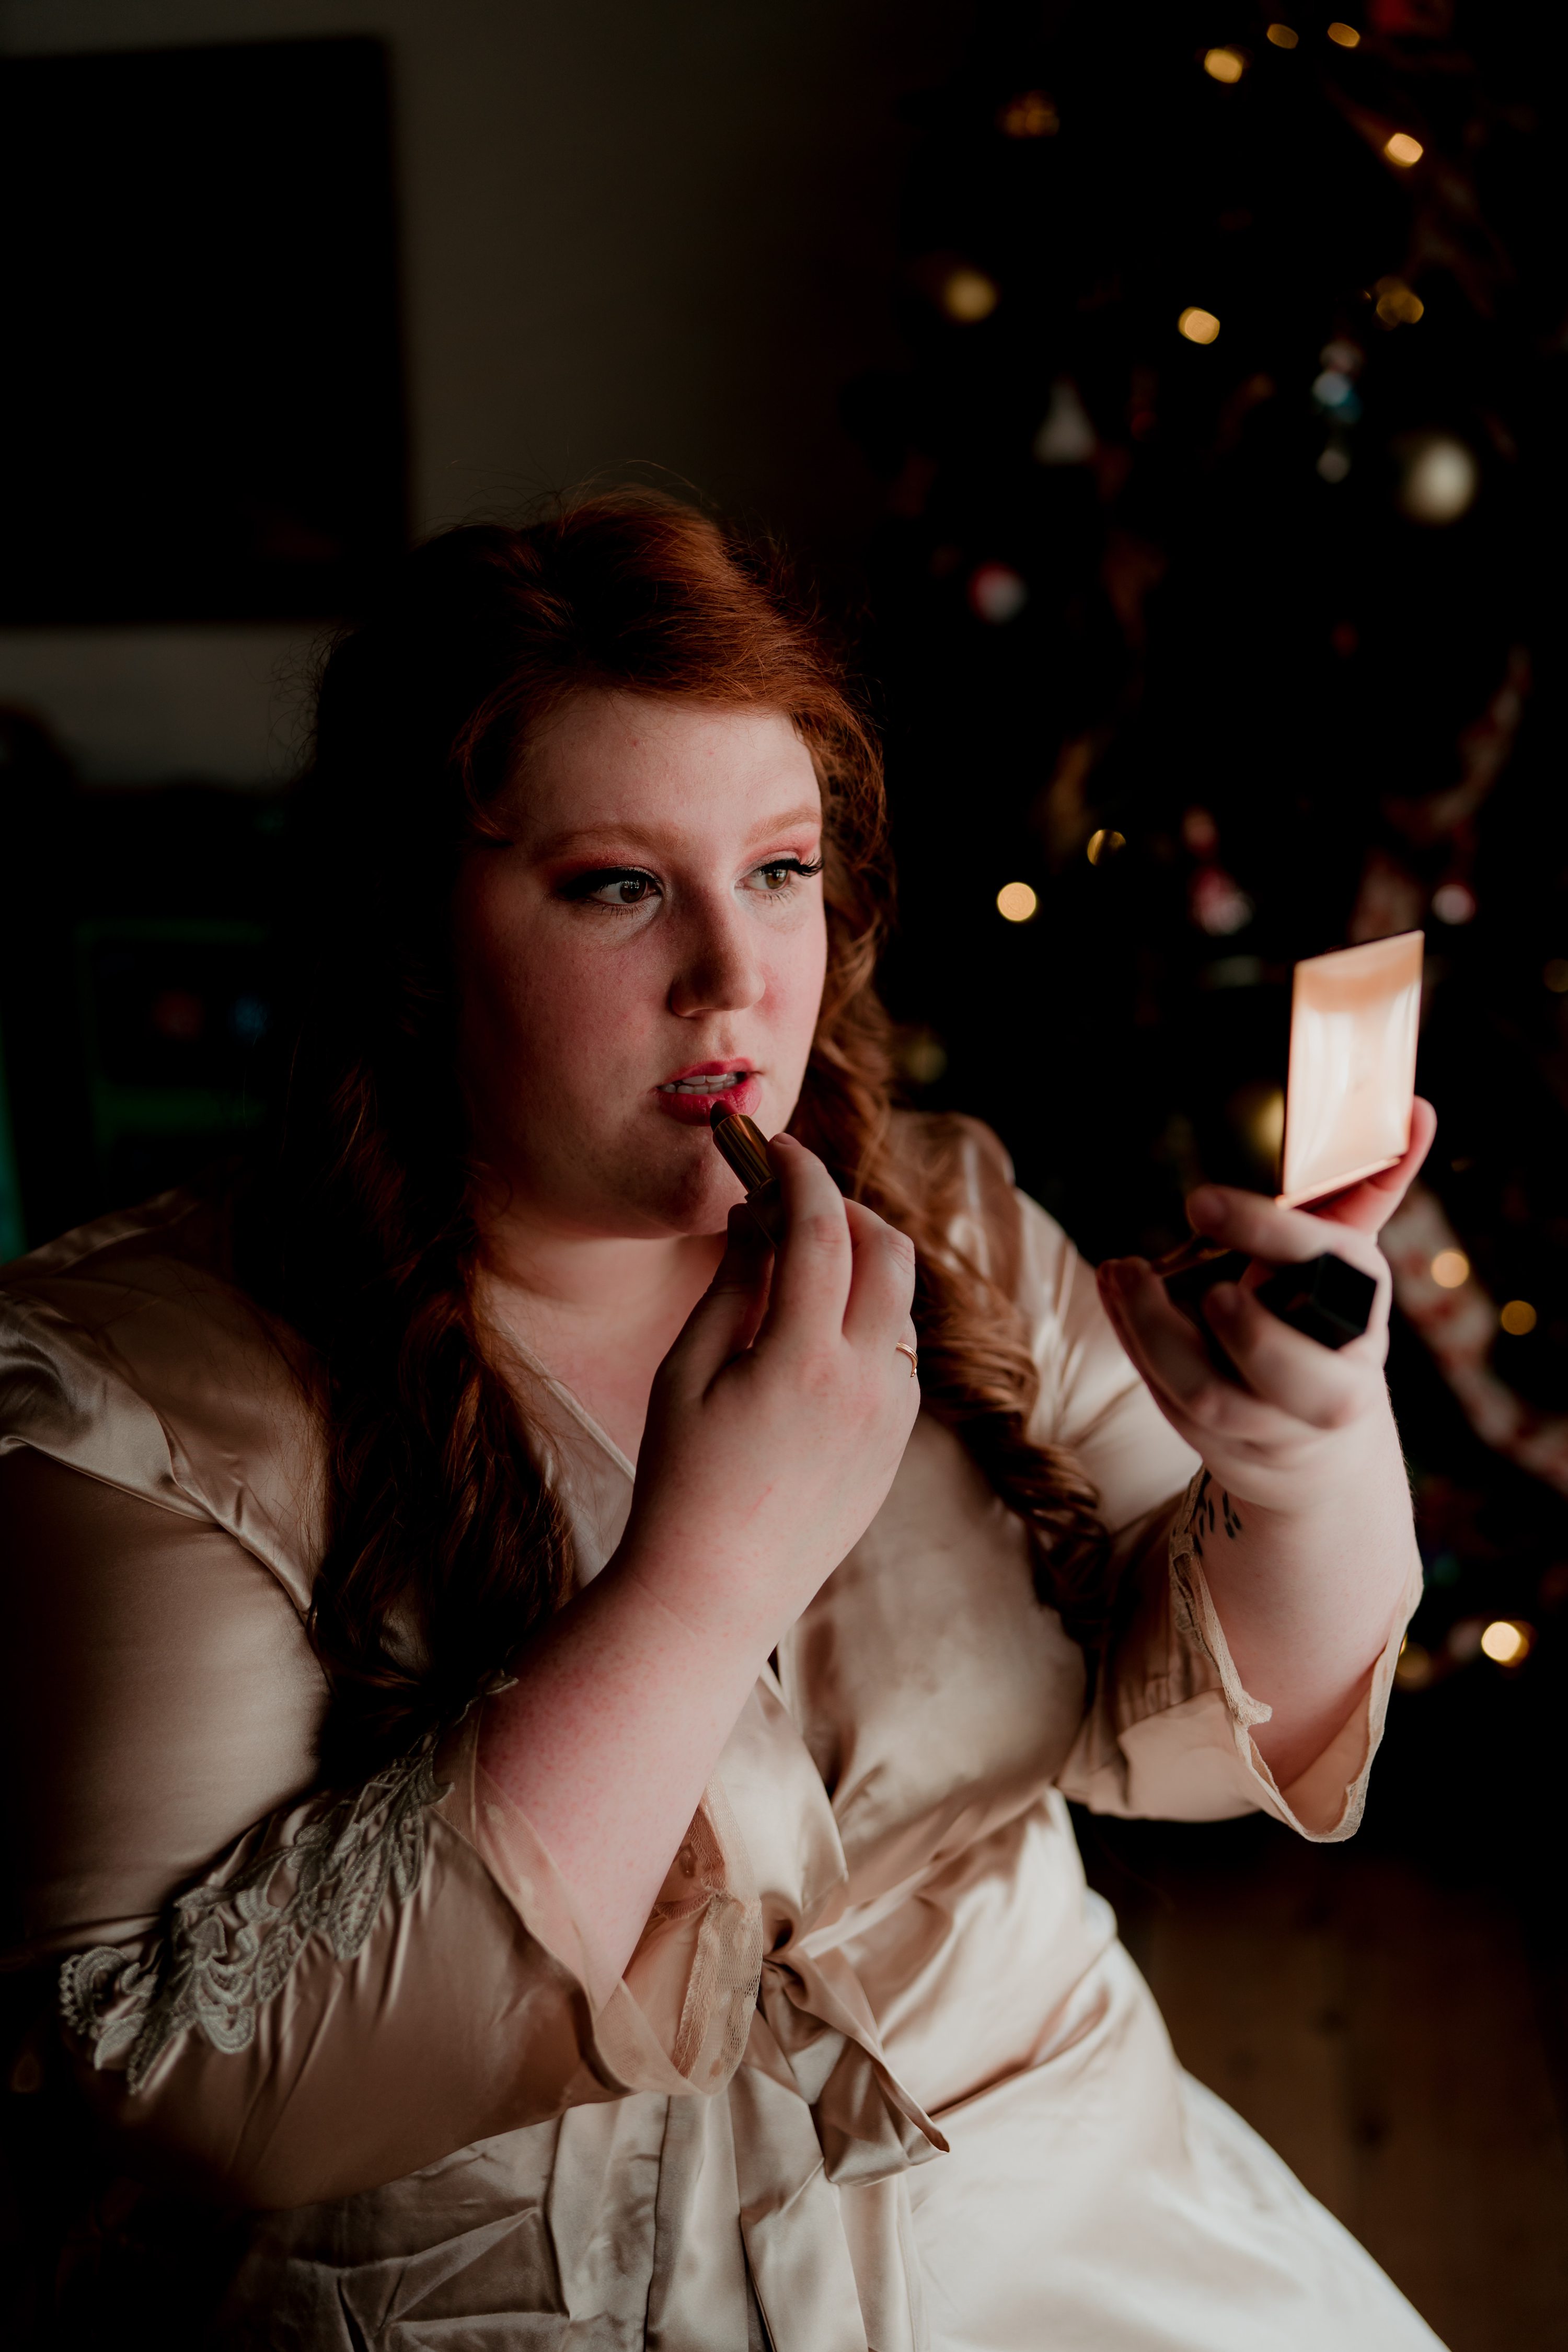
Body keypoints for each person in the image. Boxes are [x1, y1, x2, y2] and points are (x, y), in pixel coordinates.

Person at [0, 494, 1444, 2350]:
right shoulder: (132, 1395)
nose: (735, 977)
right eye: (619, 886)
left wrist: (1303, 1462)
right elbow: (215, 2088)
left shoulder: (953, 1214)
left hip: (1080, 2237)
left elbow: (1202, 1741)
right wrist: (701, 1577)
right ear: (412, 927)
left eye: (780, 869)